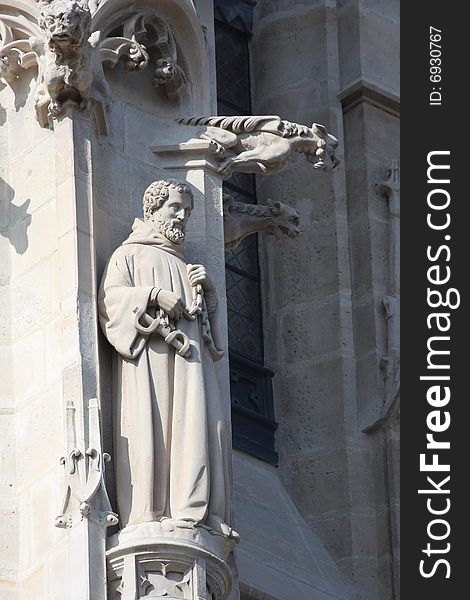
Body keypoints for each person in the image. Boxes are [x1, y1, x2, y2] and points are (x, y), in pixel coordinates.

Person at [98, 179, 235, 539]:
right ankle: (146, 512)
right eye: (174, 207)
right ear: (152, 210)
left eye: (187, 211)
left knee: (196, 424)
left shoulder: (187, 265)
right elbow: (111, 303)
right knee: (152, 426)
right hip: (151, 362)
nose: (181, 217)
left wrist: (211, 295)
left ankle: (194, 511)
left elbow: (214, 344)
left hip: (190, 366)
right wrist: (155, 295)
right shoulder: (128, 255)